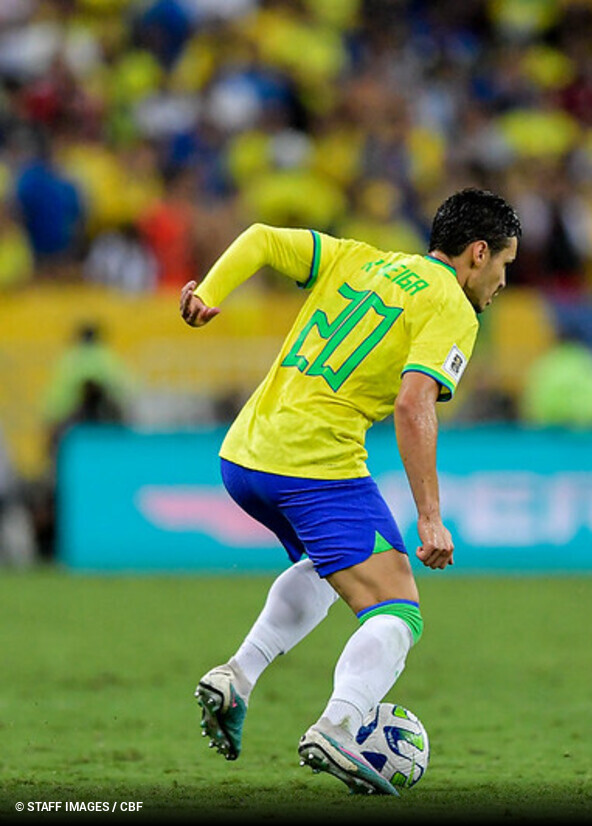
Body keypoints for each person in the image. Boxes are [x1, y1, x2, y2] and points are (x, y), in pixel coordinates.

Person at [179, 188, 520, 795]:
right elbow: (414, 403)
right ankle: (338, 727)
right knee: (397, 610)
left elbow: (258, 236)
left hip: (244, 453)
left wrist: (207, 292)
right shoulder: (453, 308)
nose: (502, 280)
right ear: (477, 253)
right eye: (504, 263)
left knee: (329, 567)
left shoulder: (359, 257)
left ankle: (238, 675)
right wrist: (431, 518)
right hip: (312, 460)